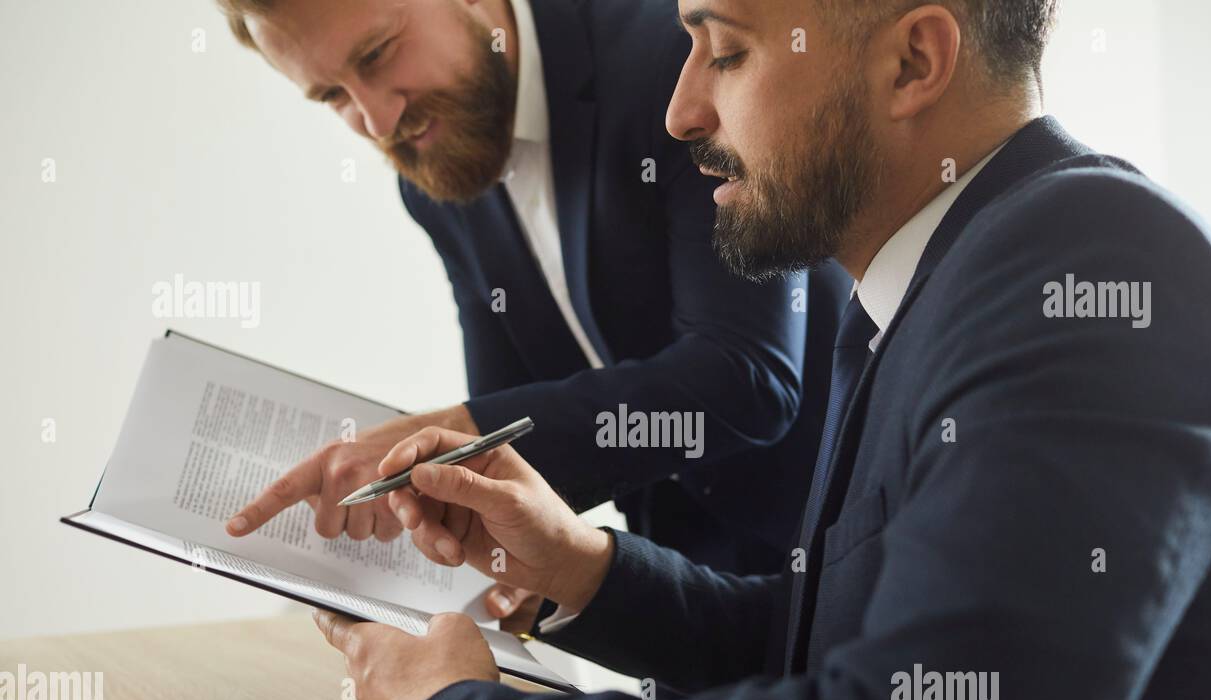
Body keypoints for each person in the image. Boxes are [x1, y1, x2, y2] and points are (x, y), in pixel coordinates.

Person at [313, 0, 1211, 700]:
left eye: (725, 51)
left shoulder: (1091, 282)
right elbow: (836, 646)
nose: (681, 111)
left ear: (913, 62)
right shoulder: (935, 286)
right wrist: (580, 572)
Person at [217, 0, 852, 588]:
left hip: (850, 548)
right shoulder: (435, 175)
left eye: (378, 54)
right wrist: (503, 555)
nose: (378, 120)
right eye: (332, 95)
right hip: (683, 596)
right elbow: (515, 424)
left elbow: (748, 378)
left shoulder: (671, 58)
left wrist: (451, 433)